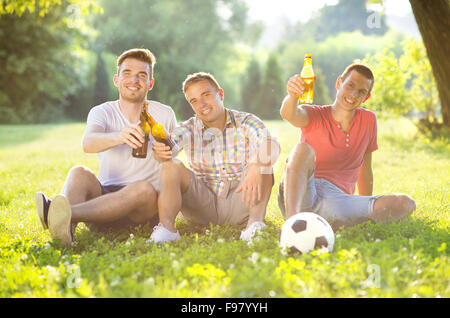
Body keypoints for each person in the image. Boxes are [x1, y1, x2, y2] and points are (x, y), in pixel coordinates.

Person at [35, 48, 177, 245]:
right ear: (116, 80)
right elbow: (88, 143)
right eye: (127, 73)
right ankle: (64, 234)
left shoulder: (164, 113)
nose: (134, 80)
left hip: (143, 207)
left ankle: (59, 212)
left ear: (150, 83)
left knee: (143, 189)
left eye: (141, 75)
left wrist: (165, 154)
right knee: (78, 172)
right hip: (102, 202)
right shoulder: (101, 112)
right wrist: (119, 136)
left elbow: (175, 153)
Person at [278, 63, 416, 229]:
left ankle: (354, 226)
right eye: (350, 85)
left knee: (405, 203)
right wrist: (292, 96)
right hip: (303, 193)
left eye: (361, 91)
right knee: (302, 149)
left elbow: (365, 169)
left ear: (366, 97)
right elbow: (289, 114)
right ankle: (292, 225)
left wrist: (366, 205)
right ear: (339, 83)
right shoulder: (315, 114)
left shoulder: (368, 120)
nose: (353, 94)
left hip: (338, 201)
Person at [148, 72, 280, 243]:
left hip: (241, 200)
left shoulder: (245, 121)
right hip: (202, 205)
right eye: (194, 101)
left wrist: (256, 164)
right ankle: (167, 230)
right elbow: (169, 149)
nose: (201, 104)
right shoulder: (189, 128)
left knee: (264, 161)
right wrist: (160, 153)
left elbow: (271, 144)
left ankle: (254, 226)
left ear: (221, 94)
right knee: (170, 165)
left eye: (206, 95)